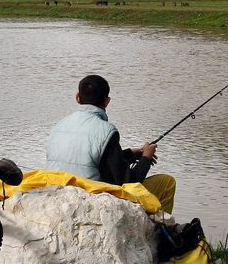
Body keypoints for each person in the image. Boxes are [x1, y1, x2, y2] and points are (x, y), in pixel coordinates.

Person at [46, 74, 176, 213]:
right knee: (167, 182)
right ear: (107, 101)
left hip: (58, 193)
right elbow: (128, 181)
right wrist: (146, 158)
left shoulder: (59, 126)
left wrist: (130, 154)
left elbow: (91, 160)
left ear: (78, 97)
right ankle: (160, 229)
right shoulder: (107, 130)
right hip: (90, 199)